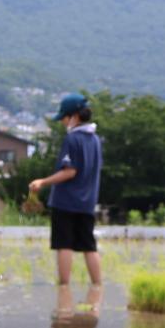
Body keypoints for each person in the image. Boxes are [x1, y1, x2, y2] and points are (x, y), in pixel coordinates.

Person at [28, 94, 104, 288]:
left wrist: (43, 182)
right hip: (87, 202)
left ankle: (63, 287)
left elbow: (70, 171)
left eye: (63, 117)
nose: (62, 122)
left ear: (74, 116)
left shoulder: (73, 139)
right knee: (89, 246)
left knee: (64, 245)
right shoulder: (95, 139)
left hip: (66, 201)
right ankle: (97, 286)